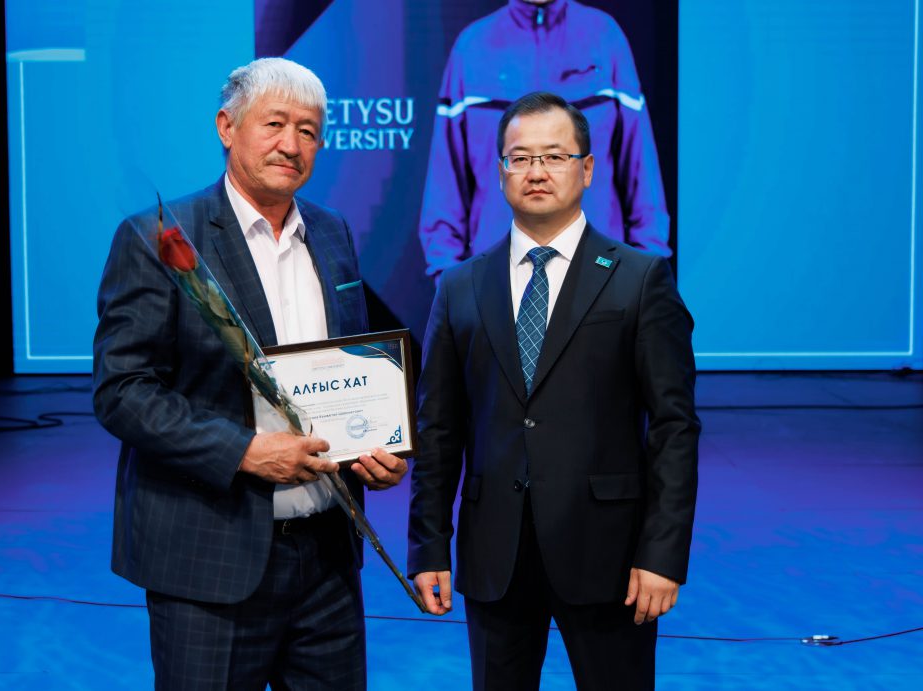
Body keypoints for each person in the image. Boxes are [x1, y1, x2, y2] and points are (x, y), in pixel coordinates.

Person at [93, 57, 407, 690]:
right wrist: (245, 452)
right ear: (226, 127)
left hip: (327, 558)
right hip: (209, 560)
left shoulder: (332, 232)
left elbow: (344, 372)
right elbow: (123, 391)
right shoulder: (160, 237)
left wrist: (375, 452)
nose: (292, 145)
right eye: (275, 124)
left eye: (309, 131)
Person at [408, 91, 699, 691]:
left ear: (587, 169)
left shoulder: (640, 279)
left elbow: (674, 428)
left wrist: (662, 554)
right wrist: (429, 547)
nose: (536, 171)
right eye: (520, 158)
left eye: (555, 156)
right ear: (500, 172)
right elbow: (438, 430)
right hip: (495, 558)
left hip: (611, 557)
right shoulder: (460, 287)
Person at [419, 0, 670, 280]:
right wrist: (450, 284)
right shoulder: (472, 47)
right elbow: (445, 187)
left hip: (599, 276)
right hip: (496, 281)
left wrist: (643, 278)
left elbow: (642, 178)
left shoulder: (604, 36)